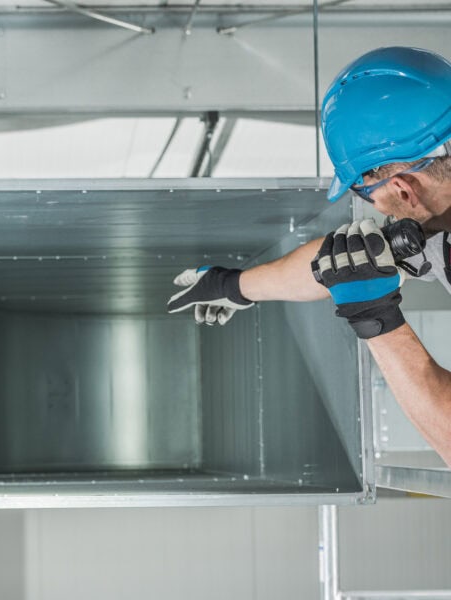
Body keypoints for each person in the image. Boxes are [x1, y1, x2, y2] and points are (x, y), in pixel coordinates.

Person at [167, 46, 451, 467]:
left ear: (403, 188)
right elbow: (346, 261)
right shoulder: (436, 223)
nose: (376, 209)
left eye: (363, 191)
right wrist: (236, 286)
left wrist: (377, 320)